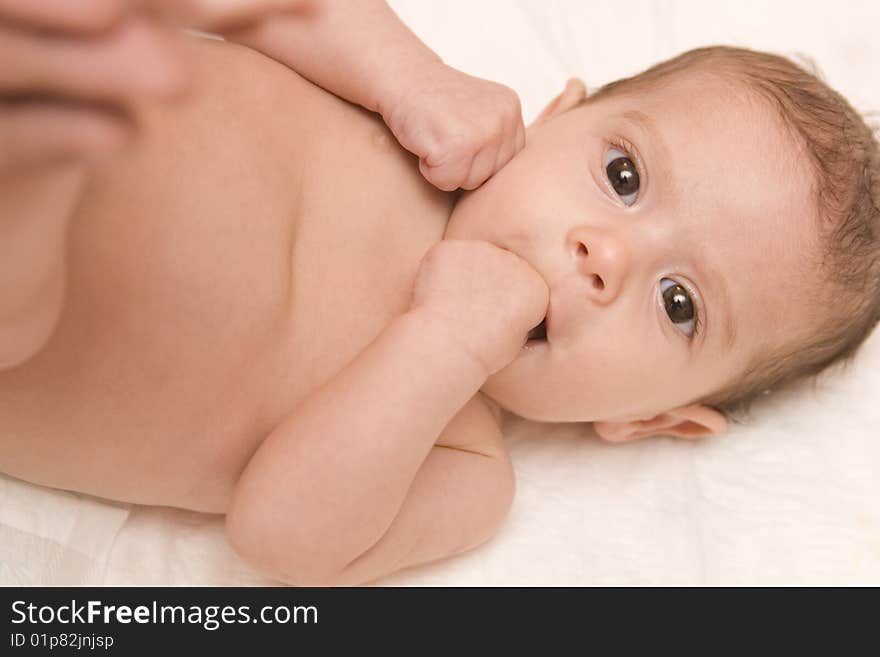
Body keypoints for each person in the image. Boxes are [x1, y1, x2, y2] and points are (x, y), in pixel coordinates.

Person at [1, 1, 878, 586]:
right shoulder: (418, 118)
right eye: (622, 173)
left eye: (678, 302)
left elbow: (280, 534)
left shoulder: (463, 467)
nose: (605, 254)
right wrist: (409, 74)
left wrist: (445, 341)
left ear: (655, 419)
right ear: (552, 114)